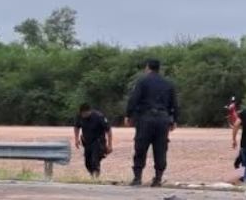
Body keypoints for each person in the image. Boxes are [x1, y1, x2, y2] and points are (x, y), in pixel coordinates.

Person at [125, 59, 177, 187]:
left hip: (146, 118)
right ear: (159, 68)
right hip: (163, 119)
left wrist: (128, 114)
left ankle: (137, 178)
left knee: (140, 147)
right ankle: (158, 179)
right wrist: (174, 119)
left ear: (148, 67)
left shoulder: (142, 81)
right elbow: (174, 103)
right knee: (160, 148)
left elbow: (134, 99)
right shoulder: (168, 83)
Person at [73, 103, 113, 178]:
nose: (83, 116)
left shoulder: (99, 116)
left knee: (95, 160)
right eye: (81, 114)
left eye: (84, 114)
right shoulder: (80, 116)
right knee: (87, 162)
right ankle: (92, 174)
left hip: (98, 141)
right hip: (87, 142)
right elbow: (76, 127)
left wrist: (110, 145)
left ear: (89, 111)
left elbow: (108, 130)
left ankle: (96, 175)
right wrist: (76, 139)